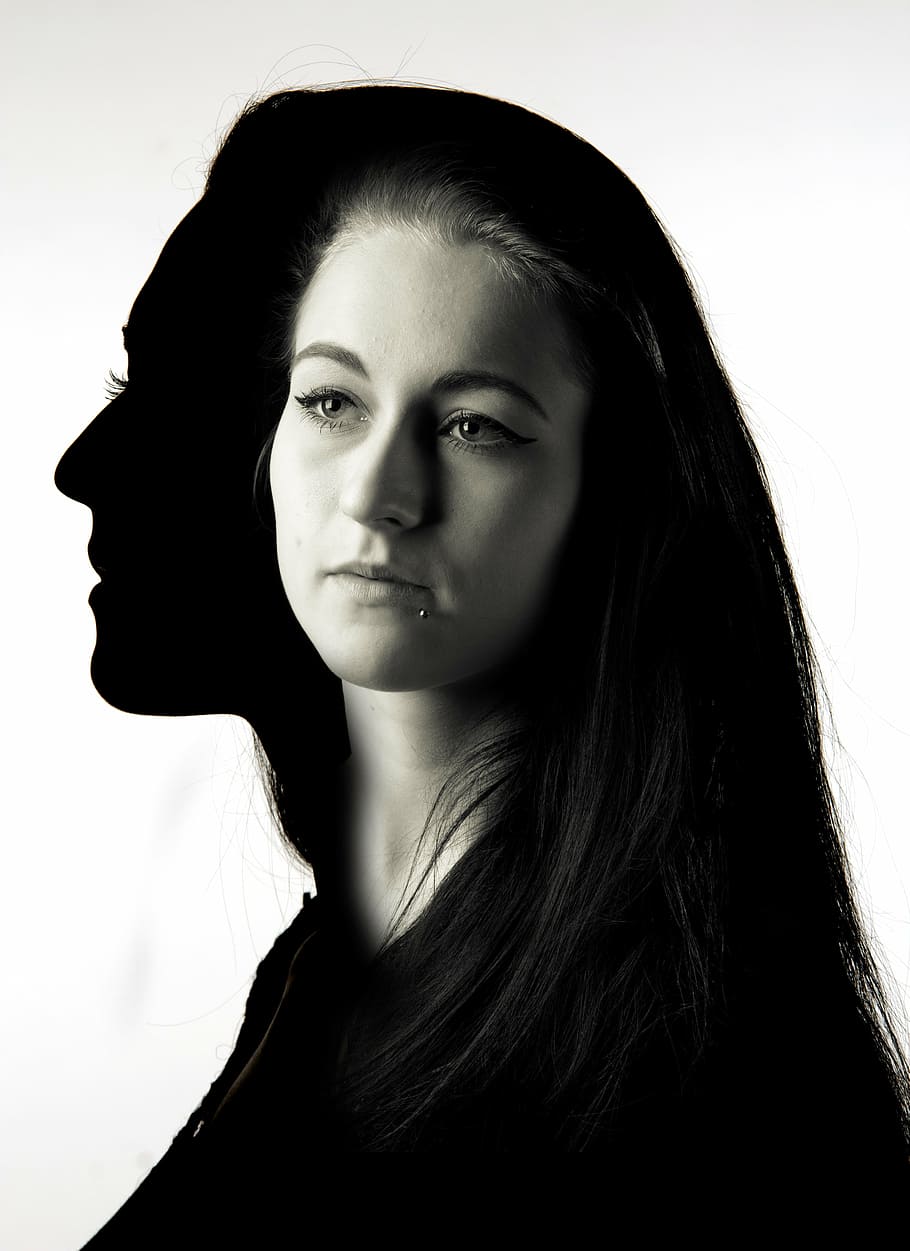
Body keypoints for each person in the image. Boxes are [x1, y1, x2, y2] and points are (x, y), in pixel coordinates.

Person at [55, 82, 909, 1236]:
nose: (378, 495)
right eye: (328, 401)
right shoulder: (339, 969)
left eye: (475, 426)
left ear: (611, 499)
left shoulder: (675, 1078)